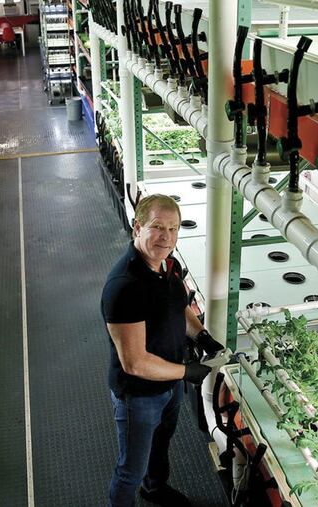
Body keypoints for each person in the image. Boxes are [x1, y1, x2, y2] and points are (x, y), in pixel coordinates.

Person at [101, 194, 224, 507]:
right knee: (131, 467)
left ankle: (154, 489)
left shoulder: (169, 266)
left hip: (170, 386)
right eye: (157, 227)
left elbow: (179, 307)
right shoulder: (125, 286)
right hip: (139, 395)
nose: (166, 237)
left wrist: (202, 335)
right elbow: (135, 363)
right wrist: (189, 371)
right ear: (137, 228)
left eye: (173, 228)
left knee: (160, 446)